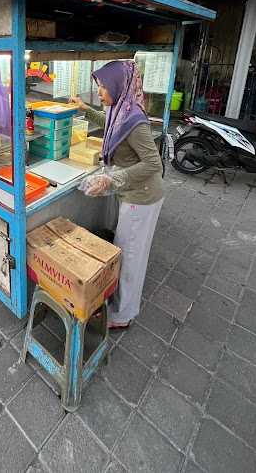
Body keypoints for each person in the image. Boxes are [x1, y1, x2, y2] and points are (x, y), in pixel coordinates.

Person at [71, 60, 164, 330]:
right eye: (98, 86)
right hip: (132, 193)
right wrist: (85, 109)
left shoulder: (135, 121)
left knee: (131, 256)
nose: (99, 92)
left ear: (118, 85)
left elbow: (153, 164)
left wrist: (112, 178)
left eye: (102, 87)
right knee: (127, 252)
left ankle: (122, 315)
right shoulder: (119, 110)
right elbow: (110, 124)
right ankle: (119, 304)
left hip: (142, 198)